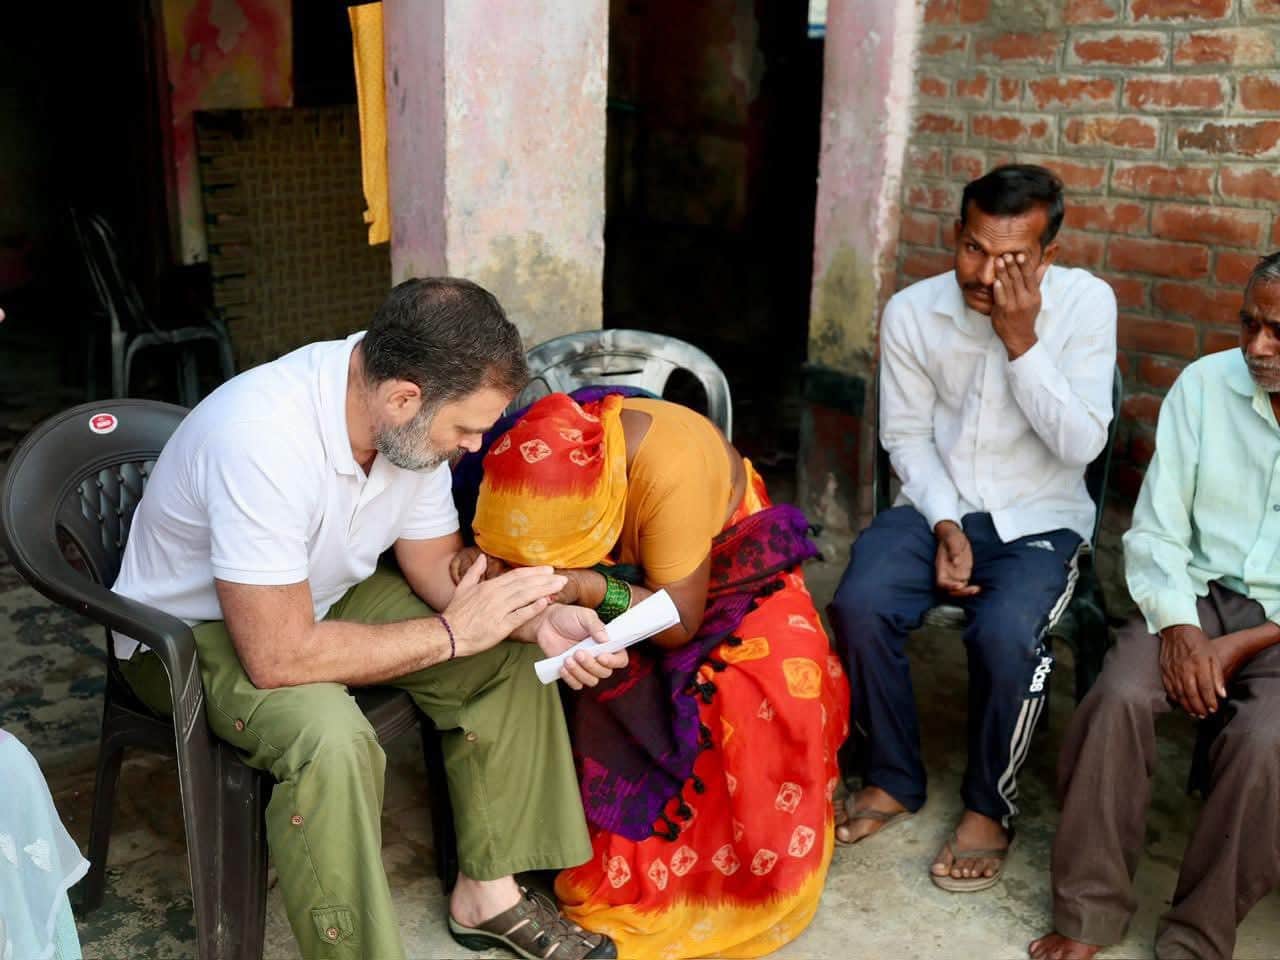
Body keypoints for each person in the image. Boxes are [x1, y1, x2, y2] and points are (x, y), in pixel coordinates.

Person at [111, 277, 628, 960]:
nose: (473, 447)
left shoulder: (405, 425)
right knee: (332, 738)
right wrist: (450, 635)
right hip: (185, 632)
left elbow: (433, 563)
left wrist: (531, 624)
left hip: (317, 593)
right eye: (467, 428)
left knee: (504, 654)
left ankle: (488, 894)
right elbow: (277, 656)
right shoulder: (261, 437)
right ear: (403, 397)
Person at [454, 390, 850, 959]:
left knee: (764, 689)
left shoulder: (672, 473)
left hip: (723, 562)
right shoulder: (511, 456)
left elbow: (678, 622)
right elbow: (506, 547)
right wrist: (480, 561)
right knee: (584, 682)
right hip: (611, 578)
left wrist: (588, 586)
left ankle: (741, 881)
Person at [826, 164, 1117, 891]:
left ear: (1048, 257)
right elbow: (906, 437)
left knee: (1006, 634)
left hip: (1042, 519)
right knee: (858, 602)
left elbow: (1082, 446)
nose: (986, 274)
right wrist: (947, 522)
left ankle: (990, 806)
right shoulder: (912, 313)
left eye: (1013, 260)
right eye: (974, 250)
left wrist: (1022, 341)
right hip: (936, 505)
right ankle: (893, 775)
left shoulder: (1086, 305)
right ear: (956, 235)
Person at [1030, 253, 1280, 960]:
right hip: (1192, 594)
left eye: (1279, 332)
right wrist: (1177, 627)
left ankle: (1197, 938)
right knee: (1117, 696)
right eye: (1249, 324)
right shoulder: (1203, 387)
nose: (1258, 347)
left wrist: (1233, 647)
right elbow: (1158, 529)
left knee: (1267, 743)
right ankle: (1087, 915)